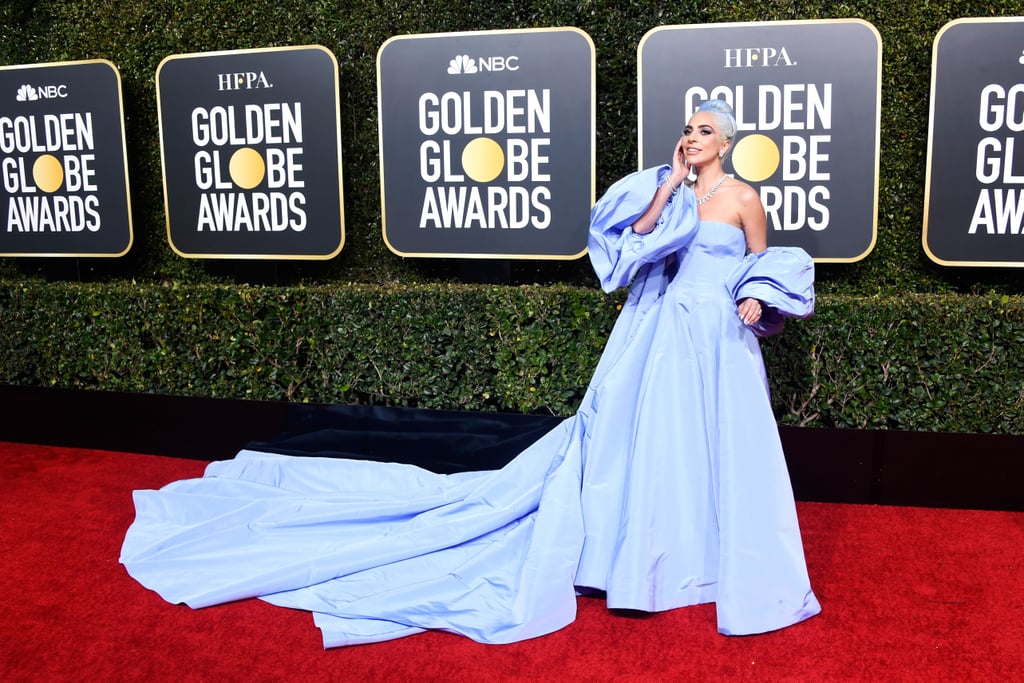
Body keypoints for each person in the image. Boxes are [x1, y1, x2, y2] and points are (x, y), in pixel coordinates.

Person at [121, 99, 821, 648]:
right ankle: (640, 559)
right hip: (654, 334)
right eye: (687, 130)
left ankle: (707, 555)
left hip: (717, 338)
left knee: (714, 445)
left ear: (727, 142)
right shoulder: (659, 187)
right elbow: (631, 244)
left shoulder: (744, 197)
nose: (692, 137)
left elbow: (762, 261)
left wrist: (754, 297)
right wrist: (667, 183)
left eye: (704, 131)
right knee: (647, 447)